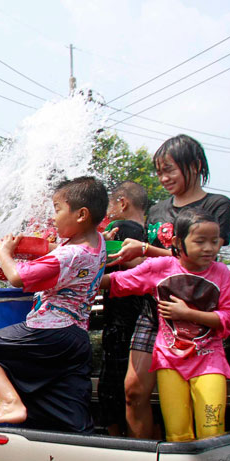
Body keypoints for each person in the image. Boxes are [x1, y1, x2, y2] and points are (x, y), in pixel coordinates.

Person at [110, 135, 230, 439]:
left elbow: (200, 261)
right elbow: (153, 269)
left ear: (194, 165)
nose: (164, 178)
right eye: (160, 172)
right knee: (133, 391)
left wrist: (146, 249)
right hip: (155, 312)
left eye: (170, 170)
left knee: (195, 400)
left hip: (196, 316)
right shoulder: (157, 211)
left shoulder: (216, 205)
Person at [0, 176, 108, 433]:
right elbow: (57, 252)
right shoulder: (97, 244)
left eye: (58, 209)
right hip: (76, 339)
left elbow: (17, 277)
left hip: (49, 330)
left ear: (81, 214)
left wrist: (5, 254)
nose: (53, 217)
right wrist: (30, 247)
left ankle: (9, 402)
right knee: (67, 414)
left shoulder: (68, 255)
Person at [102, 209, 230, 442]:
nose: (209, 248)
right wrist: (81, 266)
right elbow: (116, 283)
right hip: (169, 361)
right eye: (200, 241)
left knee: (212, 431)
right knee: (178, 434)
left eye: (215, 242)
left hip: (209, 361)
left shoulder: (222, 273)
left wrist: (189, 313)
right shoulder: (162, 267)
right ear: (177, 241)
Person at [98, 181, 149, 435]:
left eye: (109, 204)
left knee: (111, 391)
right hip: (143, 317)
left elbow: (101, 259)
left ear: (122, 203)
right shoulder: (147, 233)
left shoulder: (121, 228)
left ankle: (117, 443)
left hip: (120, 318)